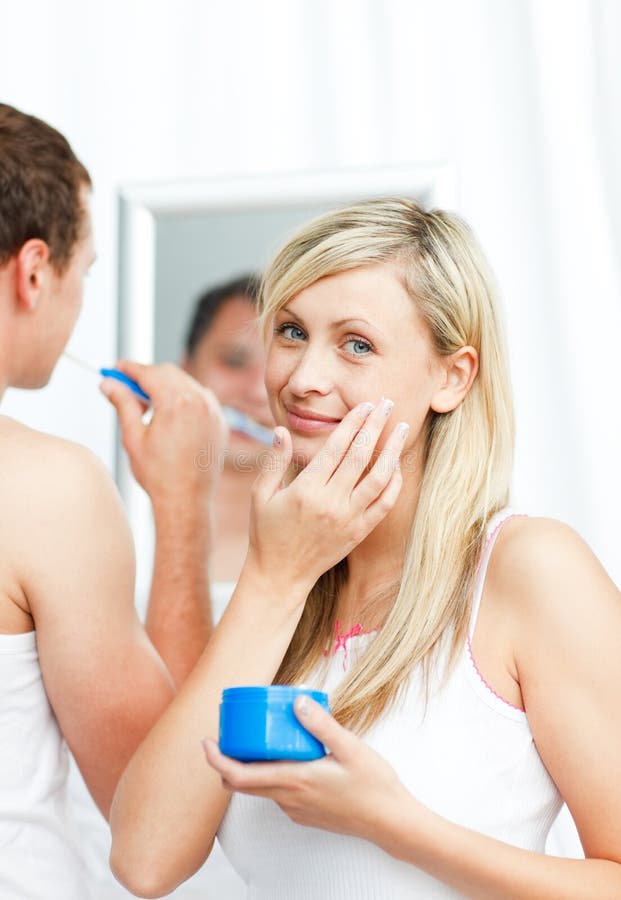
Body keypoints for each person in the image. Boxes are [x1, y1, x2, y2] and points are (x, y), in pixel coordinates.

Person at [109, 198, 621, 898]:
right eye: (290, 331)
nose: (302, 378)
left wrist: (392, 821)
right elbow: (145, 861)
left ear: (452, 376)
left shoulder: (527, 570)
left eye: (356, 344)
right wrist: (273, 576)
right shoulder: (283, 593)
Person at [0, 103, 226, 899]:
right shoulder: (43, 490)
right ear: (34, 271)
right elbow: (155, 824)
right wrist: (182, 506)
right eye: (83, 271)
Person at [181, 274, 273, 620]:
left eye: (281, 367)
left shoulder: (334, 540)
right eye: (235, 361)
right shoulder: (113, 514)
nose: (258, 392)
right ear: (186, 371)